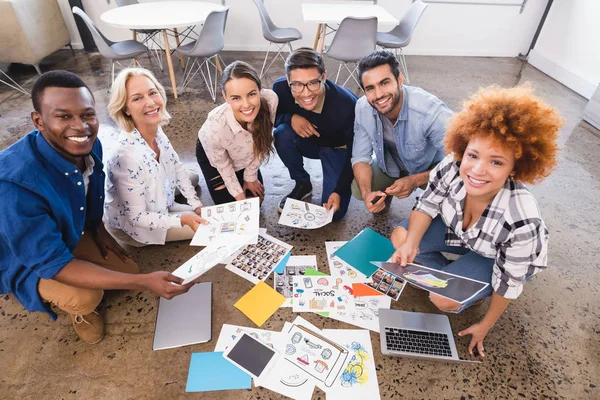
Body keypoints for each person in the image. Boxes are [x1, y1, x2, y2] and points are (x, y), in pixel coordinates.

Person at [0, 71, 195, 345]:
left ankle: (86, 249)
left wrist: (98, 228)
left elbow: (91, 193)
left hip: (69, 230)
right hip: (26, 257)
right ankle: (80, 312)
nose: (80, 127)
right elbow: (52, 262)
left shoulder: (91, 146)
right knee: (87, 296)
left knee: (128, 272)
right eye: (64, 116)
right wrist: (145, 283)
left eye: (87, 114)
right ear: (38, 121)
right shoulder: (14, 183)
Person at [390, 85, 561, 357]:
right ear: (463, 149)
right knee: (400, 239)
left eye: (496, 162)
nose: (477, 171)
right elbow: (427, 204)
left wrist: (485, 325)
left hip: (495, 257)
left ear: (514, 168)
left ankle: (466, 284)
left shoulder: (522, 220)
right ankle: (455, 275)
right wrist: (411, 243)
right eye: (472, 155)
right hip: (461, 235)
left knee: (442, 299)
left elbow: (508, 282)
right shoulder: (451, 165)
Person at [104, 68, 207, 247]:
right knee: (209, 225)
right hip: (136, 228)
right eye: (137, 98)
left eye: (152, 93)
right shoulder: (126, 159)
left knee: (192, 180)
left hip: (158, 200)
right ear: (126, 109)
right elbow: (137, 217)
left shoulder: (155, 130)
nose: (151, 102)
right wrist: (181, 219)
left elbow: (175, 166)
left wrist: (196, 204)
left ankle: (176, 201)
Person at [352, 50, 452, 213]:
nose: (378, 95)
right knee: (358, 187)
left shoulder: (431, 112)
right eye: (370, 88)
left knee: (457, 189)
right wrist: (367, 193)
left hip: (431, 165)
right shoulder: (362, 107)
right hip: (392, 163)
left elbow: (460, 161)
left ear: (399, 80)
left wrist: (415, 180)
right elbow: (360, 156)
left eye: (384, 83)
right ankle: (385, 195)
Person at [272, 47, 357, 220]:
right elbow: (271, 117)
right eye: (297, 84)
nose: (306, 92)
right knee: (282, 134)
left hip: (337, 148)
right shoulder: (279, 89)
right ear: (288, 79)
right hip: (308, 141)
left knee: (335, 213)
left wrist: (339, 190)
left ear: (324, 77)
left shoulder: (347, 105)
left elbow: (354, 153)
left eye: (313, 83)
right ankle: (302, 182)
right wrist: (290, 118)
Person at [196, 61, 278, 204]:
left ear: (260, 90)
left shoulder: (270, 100)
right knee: (237, 210)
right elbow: (224, 166)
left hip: (246, 153)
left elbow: (262, 141)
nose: (246, 105)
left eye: (252, 94)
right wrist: (240, 198)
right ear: (225, 97)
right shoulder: (215, 128)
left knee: (256, 202)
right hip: (216, 158)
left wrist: (250, 176)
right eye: (236, 98)